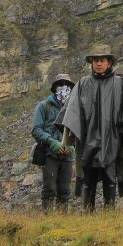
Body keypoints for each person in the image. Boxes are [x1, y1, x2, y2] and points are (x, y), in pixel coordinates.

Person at [59, 44, 123, 212]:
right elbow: (70, 112)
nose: (98, 63)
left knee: (110, 176)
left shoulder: (119, 84)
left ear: (109, 63)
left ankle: (109, 212)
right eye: (95, 60)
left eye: (102, 60)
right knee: (88, 177)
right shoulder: (83, 84)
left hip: (111, 140)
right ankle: (88, 212)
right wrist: (66, 141)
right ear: (91, 63)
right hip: (88, 140)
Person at [31, 73, 76, 211]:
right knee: (49, 188)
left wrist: (72, 146)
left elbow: (79, 131)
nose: (64, 88)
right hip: (49, 154)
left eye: (67, 85)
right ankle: (48, 217)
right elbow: (36, 129)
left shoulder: (74, 109)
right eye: (60, 85)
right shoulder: (44, 106)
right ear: (54, 87)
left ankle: (62, 218)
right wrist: (52, 142)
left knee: (65, 190)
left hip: (67, 156)